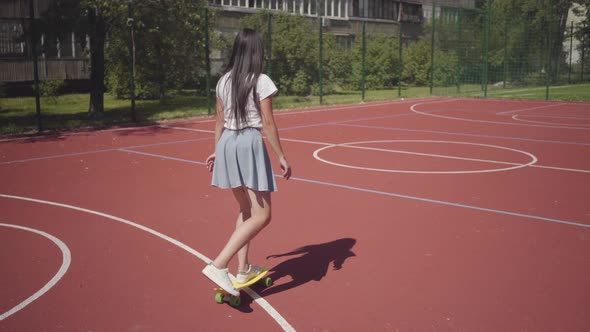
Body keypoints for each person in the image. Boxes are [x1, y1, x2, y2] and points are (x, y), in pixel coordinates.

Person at [202, 29, 291, 297]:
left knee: (245, 210)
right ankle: (219, 264)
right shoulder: (261, 80)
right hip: (249, 144)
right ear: (256, 51)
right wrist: (281, 155)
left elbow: (219, 121)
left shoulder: (223, 81)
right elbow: (268, 122)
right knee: (263, 215)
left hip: (228, 143)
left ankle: (243, 269)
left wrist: (218, 150)